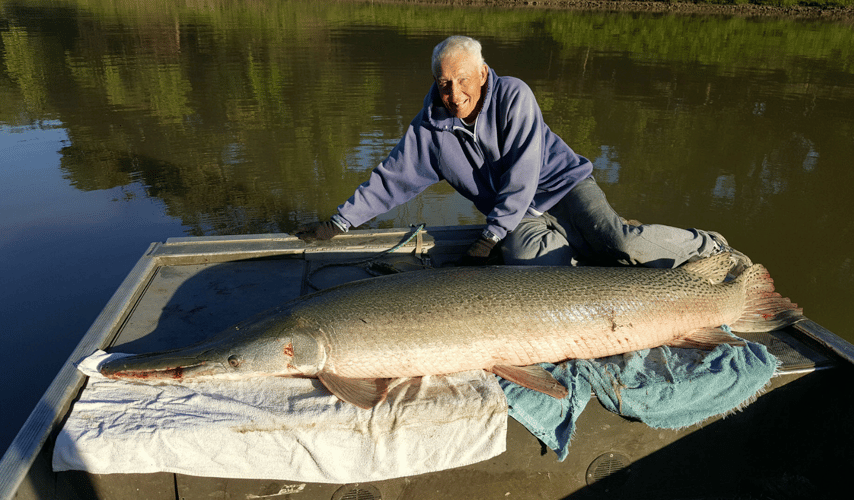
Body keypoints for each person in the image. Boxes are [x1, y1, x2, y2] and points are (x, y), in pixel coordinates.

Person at [298, 35, 748, 271]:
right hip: (517, 215)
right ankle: (571, 252)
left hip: (563, 186)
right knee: (534, 273)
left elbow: (523, 173)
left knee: (620, 243)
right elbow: (392, 178)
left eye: (463, 80)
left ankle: (707, 243)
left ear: (483, 73)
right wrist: (336, 224)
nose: (454, 94)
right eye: (444, 83)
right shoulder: (430, 127)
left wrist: (491, 236)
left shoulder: (514, 95)